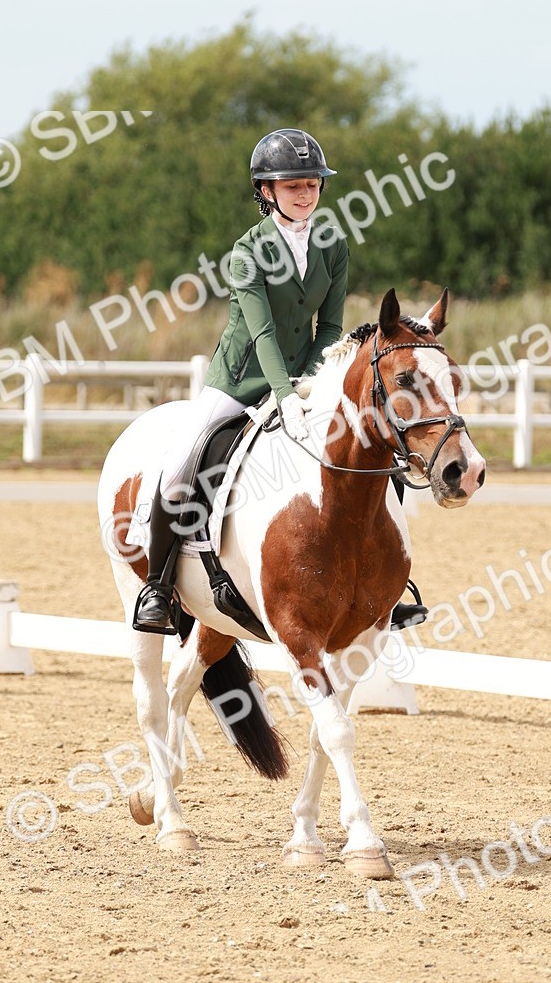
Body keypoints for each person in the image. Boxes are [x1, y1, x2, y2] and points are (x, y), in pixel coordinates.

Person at [134, 127, 426, 634]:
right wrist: (284, 393)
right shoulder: (247, 253)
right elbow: (263, 330)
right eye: (293, 186)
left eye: (312, 184)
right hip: (240, 380)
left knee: (375, 453)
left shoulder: (332, 244)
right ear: (266, 192)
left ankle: (386, 587)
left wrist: (313, 383)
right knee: (182, 465)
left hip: (305, 378)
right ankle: (158, 588)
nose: (306, 194)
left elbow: (331, 327)